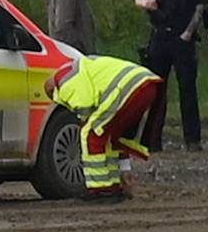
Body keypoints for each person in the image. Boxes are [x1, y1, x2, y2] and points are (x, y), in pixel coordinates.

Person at [44, 53, 162, 200]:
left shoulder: (63, 80)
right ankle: (114, 185)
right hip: (146, 85)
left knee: (91, 133)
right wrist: (125, 168)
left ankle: (100, 189)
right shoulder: (78, 66)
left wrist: (83, 119)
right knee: (109, 136)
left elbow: (84, 104)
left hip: (127, 88)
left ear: (52, 90)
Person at [130, 0, 206, 152]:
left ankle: (192, 140)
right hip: (159, 37)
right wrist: (145, 3)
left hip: (182, 38)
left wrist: (189, 33)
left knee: (187, 89)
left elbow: (200, 6)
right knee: (155, 89)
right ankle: (151, 140)